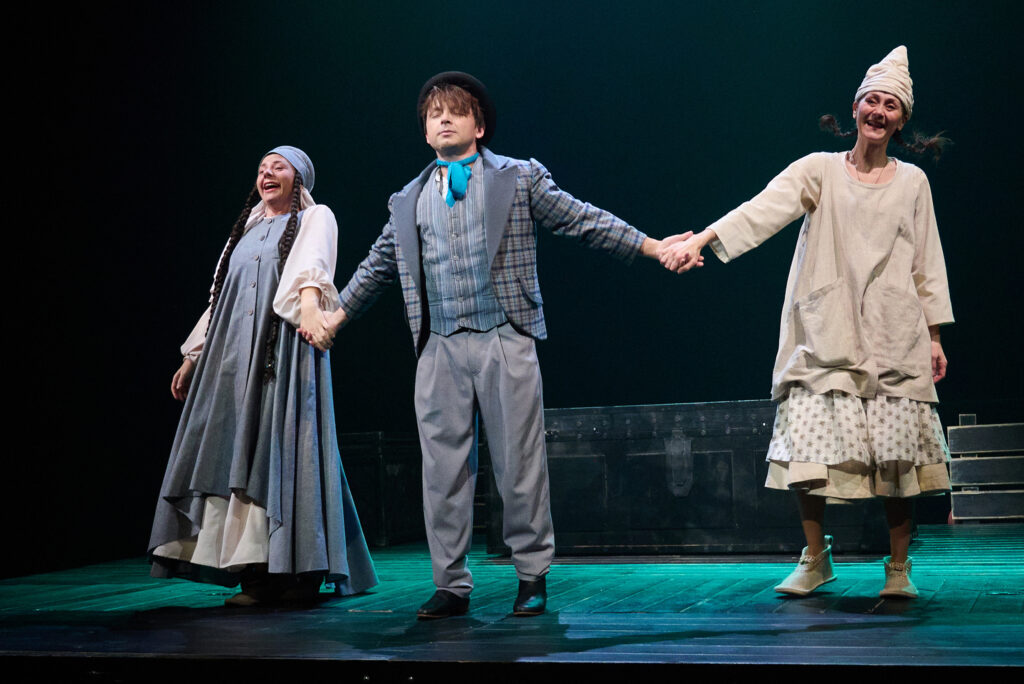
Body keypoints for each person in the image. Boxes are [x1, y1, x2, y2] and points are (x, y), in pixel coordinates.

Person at [317, 72, 692, 619]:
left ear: (479, 126)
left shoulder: (517, 178)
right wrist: (334, 318)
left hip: (504, 334)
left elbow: (582, 219)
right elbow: (377, 268)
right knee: (442, 471)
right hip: (439, 345)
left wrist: (652, 247)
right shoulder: (407, 199)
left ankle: (531, 574)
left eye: (455, 111)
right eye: (434, 115)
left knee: (519, 463)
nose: (444, 119)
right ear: (425, 132)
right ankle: (450, 584)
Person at [661, 47, 953, 598]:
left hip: (893, 331)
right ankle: (816, 559)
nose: (879, 111)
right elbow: (762, 208)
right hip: (827, 330)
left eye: (890, 105)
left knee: (897, 454)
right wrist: (702, 239)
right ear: (855, 108)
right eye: (872, 100)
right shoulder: (819, 169)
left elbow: (927, 261)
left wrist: (935, 335)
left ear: (901, 121)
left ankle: (898, 569)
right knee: (810, 447)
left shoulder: (913, 182)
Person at [149, 146, 378, 606]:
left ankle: (295, 572)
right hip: (232, 361)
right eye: (261, 169)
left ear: (299, 179)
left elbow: (312, 270)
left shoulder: (315, 218)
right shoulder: (244, 233)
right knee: (235, 455)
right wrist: (193, 357)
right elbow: (220, 302)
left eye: (279, 167)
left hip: (283, 354)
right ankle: (253, 571)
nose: (267, 173)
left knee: (285, 450)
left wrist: (311, 309)